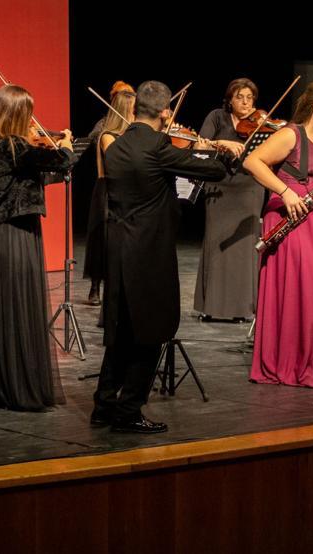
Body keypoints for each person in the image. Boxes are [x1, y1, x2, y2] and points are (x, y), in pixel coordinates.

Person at [91, 80, 229, 433]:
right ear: (166, 112)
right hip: (149, 252)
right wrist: (211, 152)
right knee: (151, 331)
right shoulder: (157, 146)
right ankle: (128, 410)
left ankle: (103, 405)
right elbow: (215, 172)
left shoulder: (115, 145)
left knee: (121, 331)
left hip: (118, 247)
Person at [0, 84, 75, 411]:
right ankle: (18, 388)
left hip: (2, 237)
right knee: (18, 311)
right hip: (16, 237)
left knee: (7, 312)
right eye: (28, 113)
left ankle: (0, 384)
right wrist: (67, 144)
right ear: (17, 115)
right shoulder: (15, 146)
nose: (32, 120)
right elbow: (62, 161)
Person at [243, 80, 313, 387]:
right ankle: (289, 361)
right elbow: (252, 161)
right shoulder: (291, 134)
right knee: (303, 285)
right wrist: (285, 191)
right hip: (292, 214)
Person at [193, 78, 264, 322]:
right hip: (220, 185)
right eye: (240, 97)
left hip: (250, 186)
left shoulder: (261, 123)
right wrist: (221, 143)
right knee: (217, 242)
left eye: (250, 98)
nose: (246, 102)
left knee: (244, 246)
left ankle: (242, 308)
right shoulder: (217, 117)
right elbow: (200, 144)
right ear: (230, 100)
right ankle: (211, 307)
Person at [84, 80, 135, 305]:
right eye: (134, 109)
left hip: (130, 190)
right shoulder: (107, 133)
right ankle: (96, 286)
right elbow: (119, 160)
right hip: (108, 190)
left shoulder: (135, 129)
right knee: (102, 240)